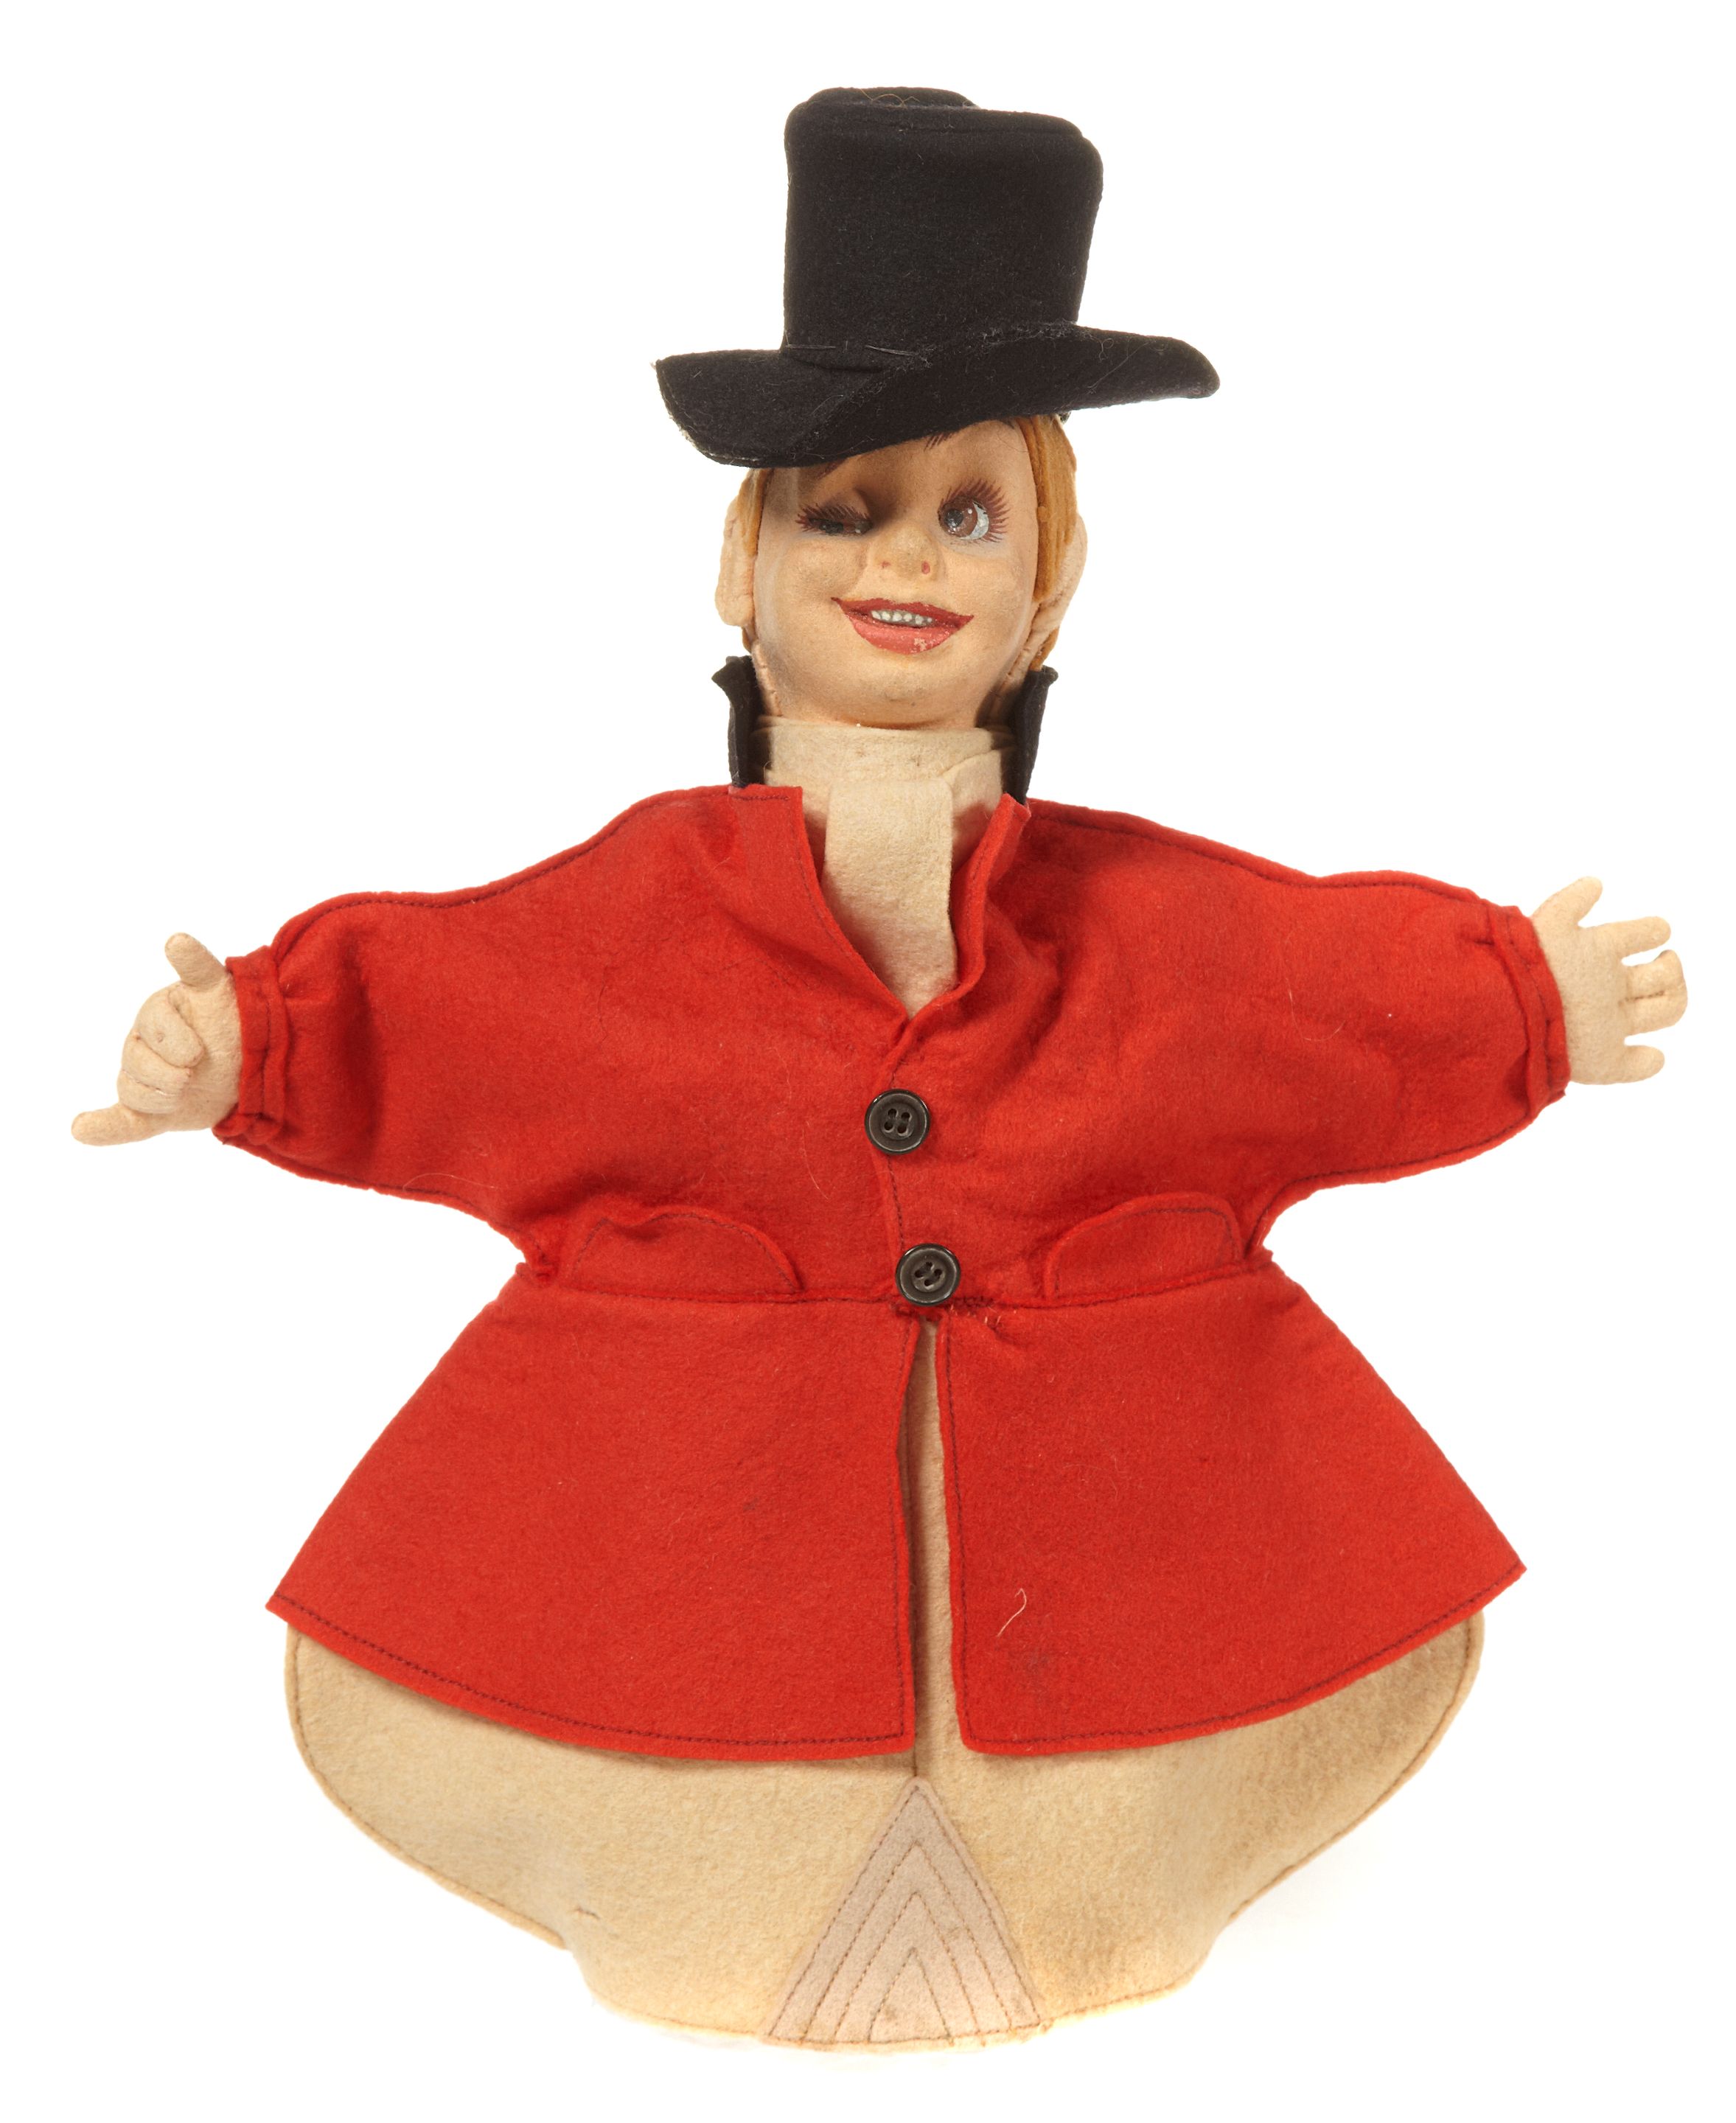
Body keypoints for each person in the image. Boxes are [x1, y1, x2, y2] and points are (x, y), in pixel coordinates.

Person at [70, 91, 1687, 2049]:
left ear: (1050, 581)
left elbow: (1301, 993)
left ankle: (1088, 1908)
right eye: (845, 510)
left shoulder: (1138, 919)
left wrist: (1518, 1003)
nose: (906, 554)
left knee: (1103, 1813)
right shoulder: (635, 916)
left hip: (1129, 1531)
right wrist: (249, 1042)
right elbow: (468, 998)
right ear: (740, 563)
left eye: (969, 514)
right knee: (693, 1812)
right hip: (686, 1543)